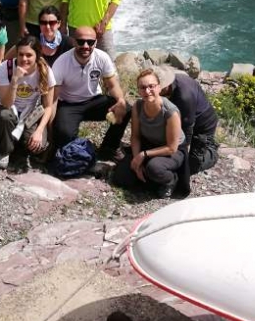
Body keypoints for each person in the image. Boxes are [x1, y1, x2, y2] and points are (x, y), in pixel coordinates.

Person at [51, 26, 130, 159]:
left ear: (95, 42)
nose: (86, 46)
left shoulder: (102, 57)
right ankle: (76, 152)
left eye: (90, 42)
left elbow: (112, 85)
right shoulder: (62, 62)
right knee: (64, 134)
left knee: (126, 109)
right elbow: (53, 99)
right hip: (69, 105)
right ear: (74, 41)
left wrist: (121, 101)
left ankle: (109, 148)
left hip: (94, 101)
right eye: (81, 42)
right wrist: (49, 126)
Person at [112, 68, 187, 198]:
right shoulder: (138, 106)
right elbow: (135, 136)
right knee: (121, 177)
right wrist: (136, 159)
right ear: (138, 90)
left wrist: (143, 155)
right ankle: (148, 176)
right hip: (149, 143)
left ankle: (171, 180)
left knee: (154, 168)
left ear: (159, 87)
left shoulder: (170, 112)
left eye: (151, 86)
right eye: (142, 88)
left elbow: (171, 148)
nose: (147, 91)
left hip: (171, 151)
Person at [0, 36, 56, 170]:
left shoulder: (45, 71)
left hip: (29, 113)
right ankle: (5, 150)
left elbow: (48, 107)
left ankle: (16, 141)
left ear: (37, 55)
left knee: (38, 146)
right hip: (8, 108)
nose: (24, 59)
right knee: (5, 116)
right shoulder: (6, 67)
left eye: (29, 55)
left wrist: (39, 131)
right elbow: (6, 103)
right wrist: (15, 80)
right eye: (21, 54)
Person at [159, 67, 219, 175]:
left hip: (202, 125)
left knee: (190, 166)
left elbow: (187, 128)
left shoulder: (184, 95)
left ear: (166, 86)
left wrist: (182, 151)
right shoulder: (174, 83)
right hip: (182, 117)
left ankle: (211, 151)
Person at [1, 5, 71, 67]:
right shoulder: (31, 40)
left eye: (52, 23)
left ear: (59, 23)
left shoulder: (68, 43)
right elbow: (6, 59)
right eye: (43, 23)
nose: (47, 26)